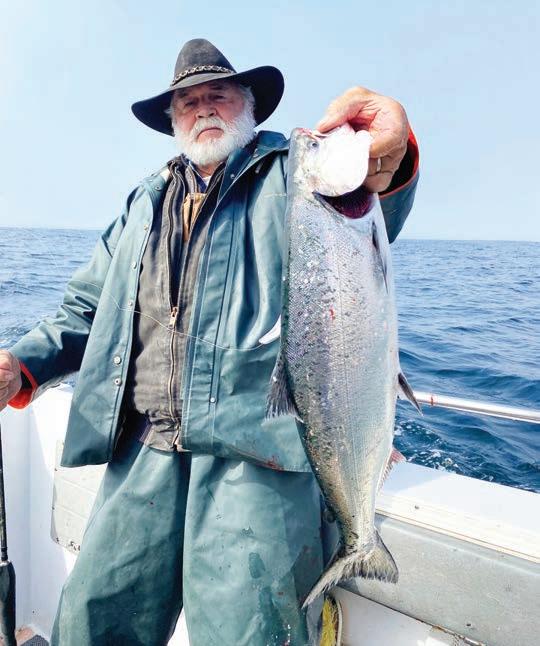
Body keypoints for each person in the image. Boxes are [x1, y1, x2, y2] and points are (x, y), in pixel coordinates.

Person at [0, 39, 419, 645]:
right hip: (143, 448)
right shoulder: (144, 202)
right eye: (187, 102)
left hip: (254, 459)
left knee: (249, 633)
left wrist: (391, 156)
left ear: (249, 105)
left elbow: (376, 192)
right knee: (92, 622)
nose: (203, 110)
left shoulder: (295, 176)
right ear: (172, 121)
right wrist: (21, 365)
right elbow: (86, 309)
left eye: (217, 95)